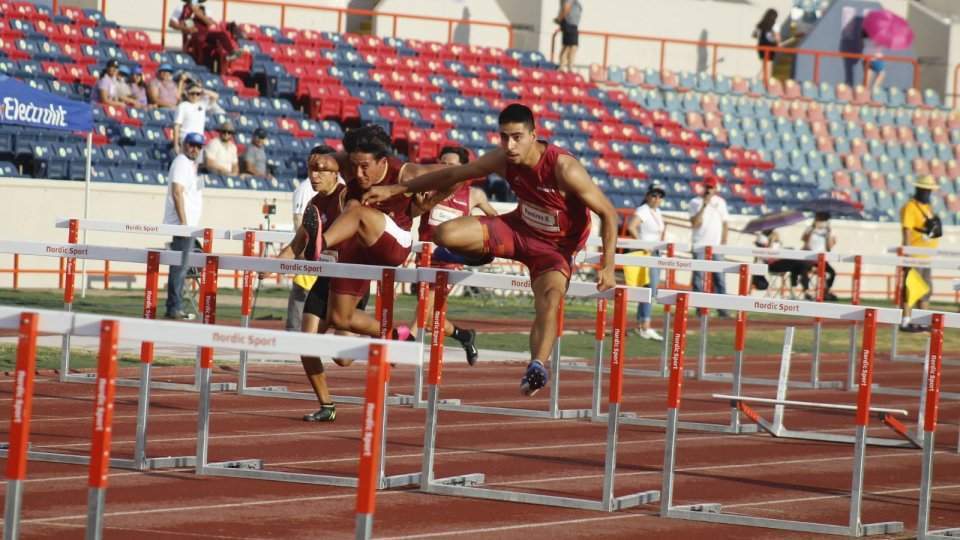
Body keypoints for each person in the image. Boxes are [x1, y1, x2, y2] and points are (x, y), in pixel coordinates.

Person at [363, 104, 619, 397]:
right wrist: (395, 190)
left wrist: (608, 267)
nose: (509, 145)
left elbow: (608, 213)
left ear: (534, 135)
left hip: (555, 248)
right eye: (504, 137)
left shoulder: (564, 168)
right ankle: (480, 254)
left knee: (550, 299)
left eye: (517, 137)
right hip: (518, 229)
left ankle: (537, 364)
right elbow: (453, 175)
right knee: (445, 233)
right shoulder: (502, 158)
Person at [298, 125, 452, 350]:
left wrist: (424, 201)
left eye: (364, 167)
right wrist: (321, 162)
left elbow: (457, 178)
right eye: (353, 166)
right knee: (340, 320)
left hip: (394, 243)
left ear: (382, 161)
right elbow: (326, 159)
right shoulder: (351, 163)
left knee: (355, 208)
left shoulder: (406, 173)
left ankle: (322, 243)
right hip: (360, 247)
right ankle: (398, 337)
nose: (358, 173)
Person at [272, 147, 370, 422]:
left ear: (336, 171)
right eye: (311, 170)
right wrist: (268, 267)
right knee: (306, 345)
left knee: (343, 359)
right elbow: (297, 244)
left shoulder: (347, 198)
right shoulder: (313, 204)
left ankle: (372, 329)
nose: (314, 176)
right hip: (324, 279)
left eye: (321, 170)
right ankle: (327, 405)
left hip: (351, 280)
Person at [395, 145, 498, 365]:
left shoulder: (474, 195)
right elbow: (406, 216)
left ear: (463, 168)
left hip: (451, 258)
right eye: (442, 164)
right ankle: (464, 336)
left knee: (429, 297)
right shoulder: (427, 187)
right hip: (425, 255)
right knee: (432, 318)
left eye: (451, 165)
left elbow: (496, 222)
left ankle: (409, 337)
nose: (445, 169)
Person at [285, 143, 332, 333]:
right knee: (301, 293)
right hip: (309, 252)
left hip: (329, 253)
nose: (315, 172)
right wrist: (303, 251)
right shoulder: (305, 189)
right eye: (312, 166)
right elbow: (299, 221)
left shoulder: (341, 187)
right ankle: (294, 333)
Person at [162, 132, 205, 320]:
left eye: (198, 146)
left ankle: (174, 306)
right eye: (191, 144)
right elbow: (177, 192)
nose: (194, 148)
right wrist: (184, 224)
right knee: (179, 268)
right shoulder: (181, 161)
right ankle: (174, 307)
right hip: (183, 227)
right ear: (184, 144)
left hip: (188, 227)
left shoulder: (189, 165)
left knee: (181, 267)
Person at [899, 175, 942, 332]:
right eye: (925, 190)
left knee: (925, 289)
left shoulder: (928, 207)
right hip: (915, 256)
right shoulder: (911, 207)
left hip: (926, 256)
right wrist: (907, 252)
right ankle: (906, 320)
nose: (927, 193)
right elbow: (907, 230)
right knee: (911, 288)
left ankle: (923, 322)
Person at [627, 184, 666, 341]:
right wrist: (643, 245)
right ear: (648, 195)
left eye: (660, 196)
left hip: (655, 253)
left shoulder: (657, 211)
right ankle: (645, 325)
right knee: (650, 289)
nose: (657, 199)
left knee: (649, 289)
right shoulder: (643, 210)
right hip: (646, 253)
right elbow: (631, 227)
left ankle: (641, 324)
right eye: (654, 195)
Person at [689, 177, 730, 317]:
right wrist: (704, 206)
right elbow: (695, 223)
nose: (709, 190)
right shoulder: (695, 202)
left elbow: (725, 223)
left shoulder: (721, 202)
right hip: (700, 244)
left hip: (716, 246)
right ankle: (700, 308)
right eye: (707, 187)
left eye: (711, 187)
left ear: (715, 189)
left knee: (720, 277)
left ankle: (723, 309)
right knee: (698, 277)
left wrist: (724, 243)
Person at [754, 229, 806, 298]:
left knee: (796, 264)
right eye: (774, 234)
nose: (776, 235)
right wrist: (771, 243)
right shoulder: (764, 243)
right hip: (772, 265)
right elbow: (765, 258)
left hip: (779, 263)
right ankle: (797, 285)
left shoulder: (777, 244)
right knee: (797, 264)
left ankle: (794, 289)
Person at [800, 211, 838, 301]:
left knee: (832, 273)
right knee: (803, 269)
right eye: (819, 218)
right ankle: (806, 292)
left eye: (822, 219)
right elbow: (804, 241)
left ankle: (826, 291)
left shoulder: (829, 231)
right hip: (809, 258)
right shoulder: (810, 228)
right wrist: (812, 229)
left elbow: (829, 248)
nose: (820, 221)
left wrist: (828, 234)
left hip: (822, 259)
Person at [173, 83, 208, 154]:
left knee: (196, 164)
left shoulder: (202, 104)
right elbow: (176, 126)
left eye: (197, 94)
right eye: (192, 93)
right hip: (186, 140)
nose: (195, 96)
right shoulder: (182, 106)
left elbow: (215, 96)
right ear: (187, 94)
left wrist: (202, 91)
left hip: (199, 140)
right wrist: (176, 144)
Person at [554, 0, 582, 72]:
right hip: (569, 24)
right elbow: (566, 8)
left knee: (572, 46)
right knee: (569, 46)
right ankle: (563, 66)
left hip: (573, 25)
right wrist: (559, 19)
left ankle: (569, 66)